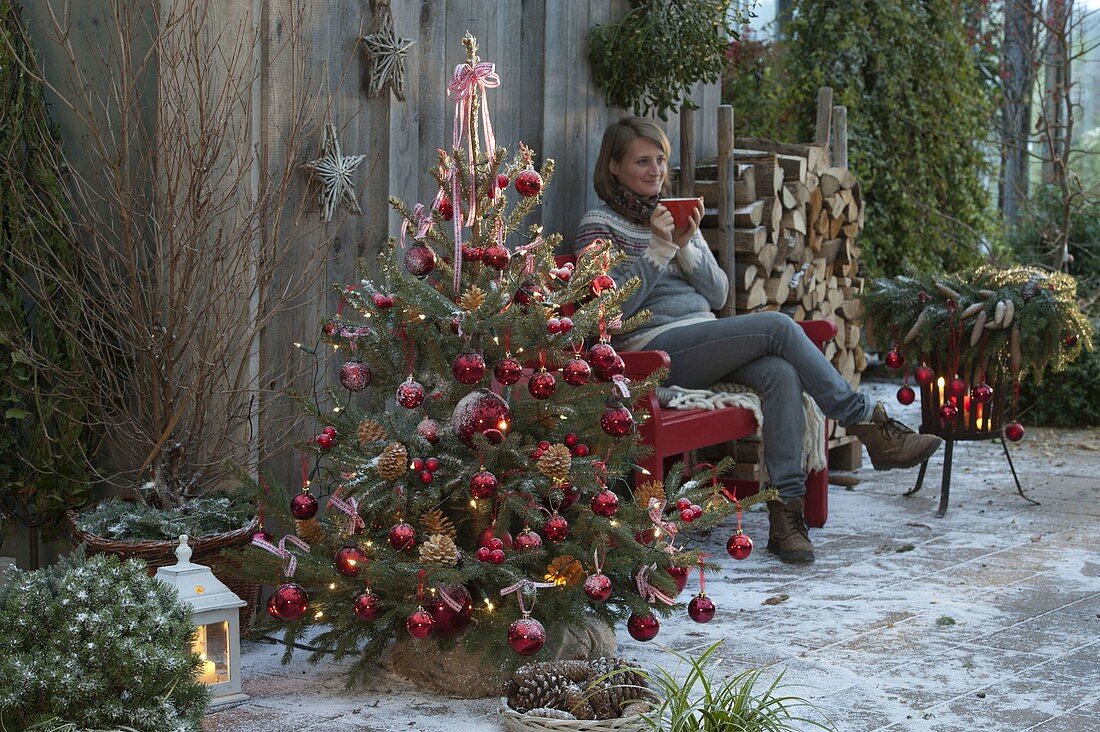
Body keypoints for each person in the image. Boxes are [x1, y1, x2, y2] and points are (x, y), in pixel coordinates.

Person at [575, 116, 942, 564]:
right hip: (652, 351)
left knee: (781, 372)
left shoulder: (671, 212)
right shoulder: (598, 224)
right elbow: (606, 313)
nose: (656, 171)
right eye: (642, 161)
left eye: (661, 160)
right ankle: (866, 421)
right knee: (779, 327)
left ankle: (786, 518)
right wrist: (657, 251)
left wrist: (687, 246)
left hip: (702, 340)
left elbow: (718, 294)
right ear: (614, 167)